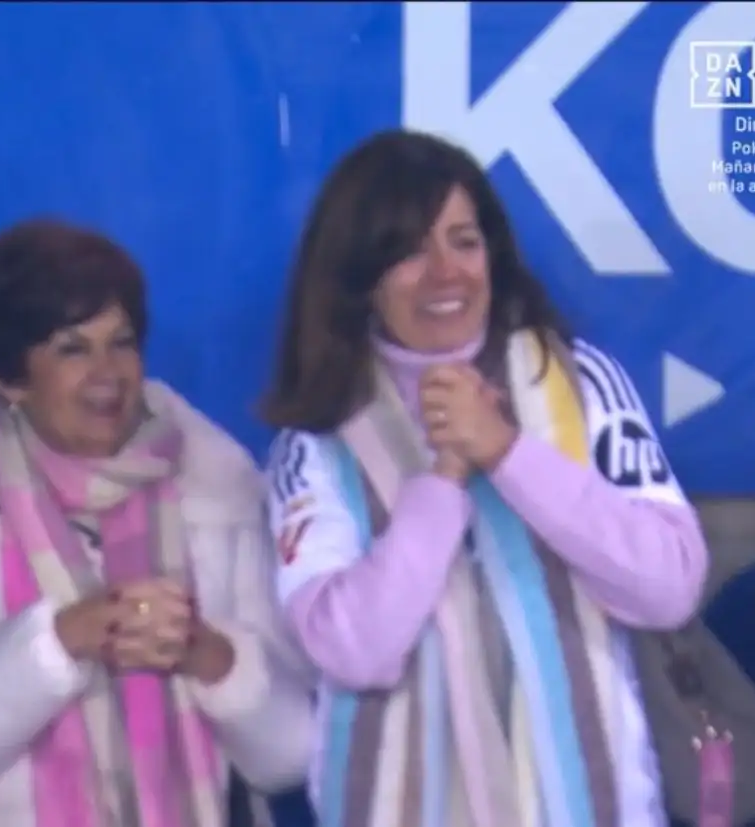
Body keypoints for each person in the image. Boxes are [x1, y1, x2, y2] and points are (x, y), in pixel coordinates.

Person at [260, 129, 709, 827]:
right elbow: (351, 649)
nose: (445, 273)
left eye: (464, 242)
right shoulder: (314, 440)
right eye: (409, 251)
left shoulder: (577, 381)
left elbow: (668, 585)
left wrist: (505, 450)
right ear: (359, 278)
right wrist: (443, 479)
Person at [0, 219, 314, 827]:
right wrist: (58, 644)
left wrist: (207, 655)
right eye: (72, 348)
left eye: (123, 341)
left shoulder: (218, 488)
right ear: (9, 379)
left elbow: (294, 757)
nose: (108, 373)